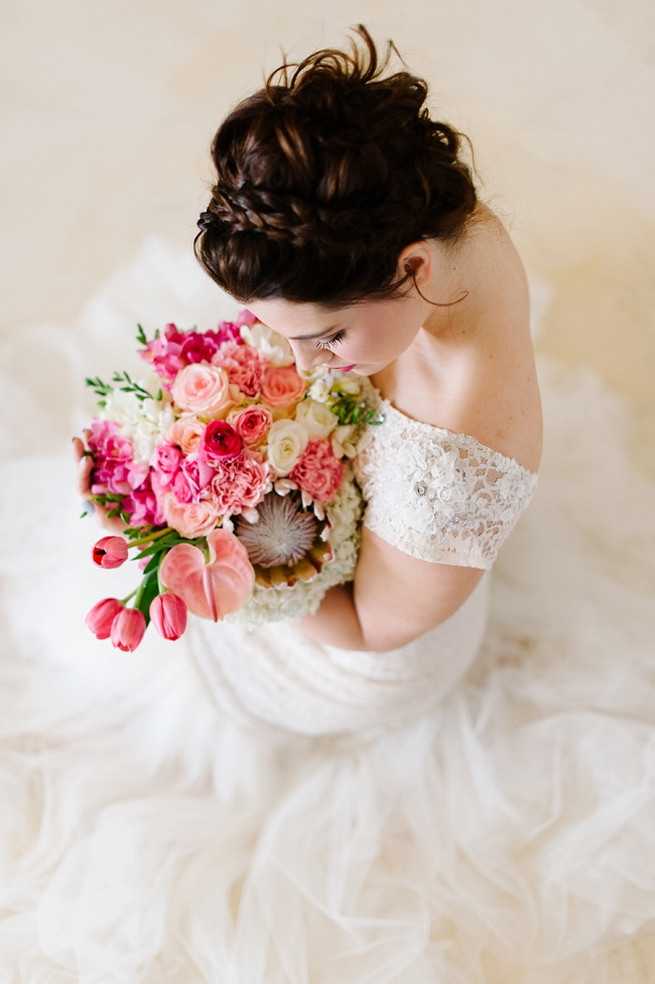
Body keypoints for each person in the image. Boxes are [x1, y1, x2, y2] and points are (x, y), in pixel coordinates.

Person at [57, 28, 655, 982]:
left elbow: (375, 626)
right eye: (284, 333)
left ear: (412, 268)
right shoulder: (448, 222)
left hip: (369, 648)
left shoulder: (458, 456)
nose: (301, 363)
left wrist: (224, 566)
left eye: (325, 333)